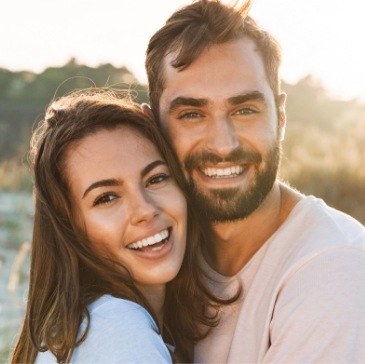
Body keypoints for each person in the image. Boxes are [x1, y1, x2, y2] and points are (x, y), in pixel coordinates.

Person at [144, 0, 365, 362]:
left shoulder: (334, 274)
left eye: (245, 110)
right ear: (153, 127)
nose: (223, 144)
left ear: (280, 116)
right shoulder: (156, 249)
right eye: (192, 114)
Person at [11, 89, 236, 363]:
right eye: (106, 197)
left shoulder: (78, 328)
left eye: (156, 179)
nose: (145, 210)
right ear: (69, 227)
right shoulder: (117, 328)